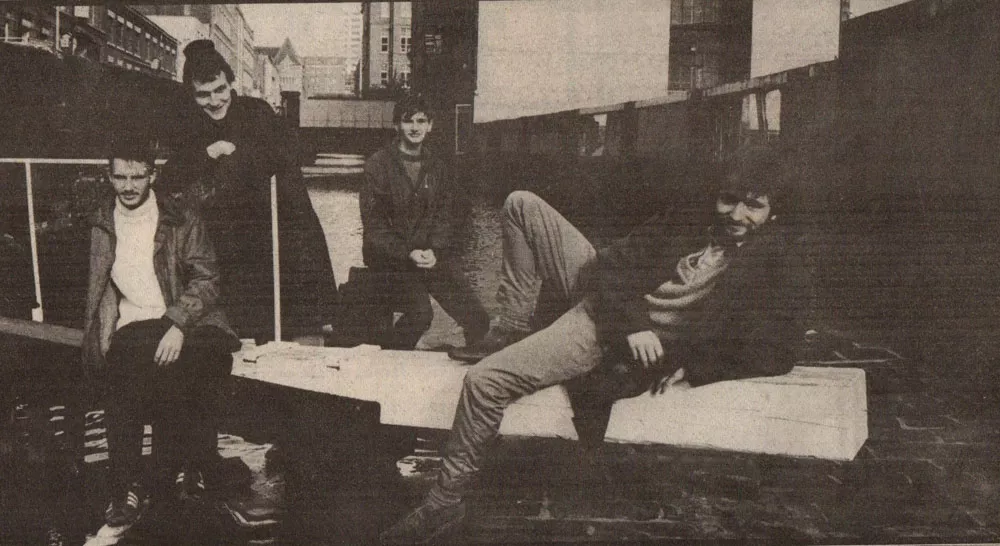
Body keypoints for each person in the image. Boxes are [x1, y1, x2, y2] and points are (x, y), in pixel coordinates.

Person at [382, 149, 811, 543]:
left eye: (753, 206)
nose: (736, 214)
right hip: (613, 313)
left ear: (773, 213)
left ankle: (443, 504)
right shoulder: (685, 221)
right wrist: (634, 324)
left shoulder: (776, 263)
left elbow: (779, 349)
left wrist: (698, 365)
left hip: (603, 333)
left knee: (484, 381)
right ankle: (512, 327)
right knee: (520, 204)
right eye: (729, 200)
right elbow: (607, 266)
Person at [82, 141, 241, 528]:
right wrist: (102, 337)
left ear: (152, 175)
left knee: (188, 369)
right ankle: (129, 486)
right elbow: (101, 288)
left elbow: (207, 279)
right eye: (120, 176)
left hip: (192, 320)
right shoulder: (102, 222)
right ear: (108, 177)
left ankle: (175, 473)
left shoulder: (179, 217)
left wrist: (178, 324)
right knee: (122, 380)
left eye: (138, 176)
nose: (128, 186)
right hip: (136, 323)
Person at [159, 39, 336, 345]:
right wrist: (210, 152)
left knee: (281, 315)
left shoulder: (256, 112)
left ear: (230, 83)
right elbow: (170, 180)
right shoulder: (187, 126)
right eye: (203, 94)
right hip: (221, 242)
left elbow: (289, 154)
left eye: (220, 90)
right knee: (235, 322)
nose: (215, 101)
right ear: (192, 93)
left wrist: (238, 158)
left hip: (267, 232)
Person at [359, 94, 490, 349]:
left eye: (421, 121)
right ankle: (390, 354)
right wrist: (407, 252)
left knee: (478, 318)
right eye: (408, 121)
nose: (415, 127)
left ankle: (472, 359)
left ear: (430, 125)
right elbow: (374, 226)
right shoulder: (378, 165)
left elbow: (445, 215)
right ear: (396, 125)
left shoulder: (437, 167)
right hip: (392, 261)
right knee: (420, 315)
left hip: (429, 256)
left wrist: (435, 249)